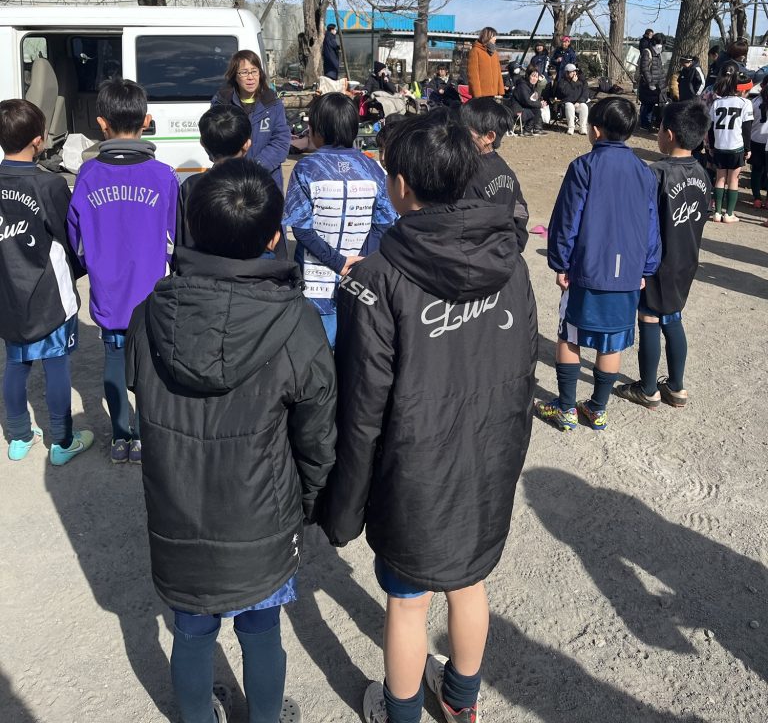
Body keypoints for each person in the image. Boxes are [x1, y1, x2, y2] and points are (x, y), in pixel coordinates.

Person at [321, 113, 538, 723]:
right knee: (468, 583)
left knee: (409, 601)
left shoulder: (377, 277)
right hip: (488, 454)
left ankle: (402, 712)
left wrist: (345, 499)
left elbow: (361, 404)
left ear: (399, 185)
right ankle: (461, 703)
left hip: (412, 466)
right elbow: (524, 364)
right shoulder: (513, 262)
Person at [126, 159, 336, 723]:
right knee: (262, 629)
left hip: (177, 510)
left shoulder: (148, 316)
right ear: (274, 237)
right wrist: (310, 500)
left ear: (192, 228)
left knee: (191, 631)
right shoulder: (297, 322)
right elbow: (317, 435)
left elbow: (141, 395)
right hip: (261, 517)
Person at [67, 78, 179, 465]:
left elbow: (77, 239)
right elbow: (174, 238)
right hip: (150, 293)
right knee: (150, 366)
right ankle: (145, 436)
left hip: (109, 291)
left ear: (102, 124)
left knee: (114, 359)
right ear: (146, 121)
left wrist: (96, 264)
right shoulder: (164, 175)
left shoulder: (88, 175)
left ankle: (120, 437)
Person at [536, 97, 660, 433]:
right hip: (628, 272)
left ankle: (566, 408)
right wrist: (647, 268)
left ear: (595, 129)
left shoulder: (584, 166)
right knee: (612, 339)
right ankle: (597, 409)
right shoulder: (644, 171)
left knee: (569, 334)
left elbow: (567, 219)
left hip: (587, 269)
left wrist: (560, 263)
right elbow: (651, 224)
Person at [0, 99, 93, 465]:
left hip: (8, 294)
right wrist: (81, 269)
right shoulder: (50, 184)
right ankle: (63, 440)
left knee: (15, 364)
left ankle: (19, 435)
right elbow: (70, 236)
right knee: (56, 365)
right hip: (49, 296)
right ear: (38, 140)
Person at [614, 101, 711, 410]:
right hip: (687, 260)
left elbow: (637, 220)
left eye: (658, 129)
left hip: (657, 261)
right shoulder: (703, 174)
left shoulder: (656, 173)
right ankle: (677, 387)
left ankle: (648, 389)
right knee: (673, 316)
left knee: (650, 317)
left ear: (668, 134)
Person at [282, 93, 397, 346]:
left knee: (319, 350)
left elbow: (301, 229)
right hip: (360, 279)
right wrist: (360, 263)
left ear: (316, 131)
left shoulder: (305, 168)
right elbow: (383, 223)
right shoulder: (373, 169)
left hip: (315, 282)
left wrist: (338, 262)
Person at [212, 50, 290, 195]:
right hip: (230, 179)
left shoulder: (272, 102)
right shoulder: (222, 102)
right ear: (235, 75)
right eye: (244, 72)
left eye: (254, 71)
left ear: (260, 73)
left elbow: (281, 141)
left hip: (266, 180)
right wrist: (229, 164)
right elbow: (212, 136)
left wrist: (255, 167)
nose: (250, 77)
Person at [176, 105, 252, 251]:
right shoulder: (261, 184)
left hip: (198, 263)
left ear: (202, 143)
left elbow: (181, 239)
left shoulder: (191, 186)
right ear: (247, 145)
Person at [460, 97, 530, 252]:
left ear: (489, 137)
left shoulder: (468, 174)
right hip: (502, 255)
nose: (456, 135)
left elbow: (464, 225)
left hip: (478, 257)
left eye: (463, 130)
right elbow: (521, 211)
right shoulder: (506, 170)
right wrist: (513, 246)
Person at [708, 61, 753, 223]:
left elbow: (711, 128)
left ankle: (717, 212)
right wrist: (748, 148)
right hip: (736, 146)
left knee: (720, 178)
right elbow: (746, 129)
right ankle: (729, 214)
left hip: (719, 145)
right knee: (733, 179)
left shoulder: (717, 102)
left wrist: (711, 146)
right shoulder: (745, 103)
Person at [467, 26, 504, 98]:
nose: (495, 39)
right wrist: (477, 95)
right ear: (487, 36)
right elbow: (473, 75)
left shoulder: (494, 53)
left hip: (494, 94)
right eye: (493, 36)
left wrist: (500, 91)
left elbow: (498, 73)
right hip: (481, 95)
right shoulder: (475, 51)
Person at [637, 33, 665, 130]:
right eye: (660, 44)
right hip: (648, 84)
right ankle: (644, 123)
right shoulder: (647, 52)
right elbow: (644, 69)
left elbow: (660, 69)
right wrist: (650, 82)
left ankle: (649, 122)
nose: (661, 46)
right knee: (646, 104)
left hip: (657, 84)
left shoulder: (658, 54)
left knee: (652, 104)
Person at [749, 78, 768, 210]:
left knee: (756, 170)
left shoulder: (754, 102)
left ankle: (757, 198)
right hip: (766, 141)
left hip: (756, 139)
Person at [556, 63, 589, 135]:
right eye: (572, 72)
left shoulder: (581, 80)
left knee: (584, 106)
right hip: (566, 104)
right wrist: (573, 83)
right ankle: (571, 127)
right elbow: (566, 94)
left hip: (578, 103)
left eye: (575, 71)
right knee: (569, 105)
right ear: (567, 73)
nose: (574, 73)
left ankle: (583, 128)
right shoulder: (562, 82)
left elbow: (585, 93)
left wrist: (579, 101)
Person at [511, 64, 544, 135]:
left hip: (524, 108)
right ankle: (527, 130)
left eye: (536, 77)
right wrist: (539, 104)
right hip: (517, 111)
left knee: (536, 108)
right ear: (528, 75)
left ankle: (536, 128)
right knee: (536, 109)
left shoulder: (531, 86)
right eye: (533, 76)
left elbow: (533, 99)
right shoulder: (522, 85)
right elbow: (527, 101)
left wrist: (540, 102)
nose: (534, 78)